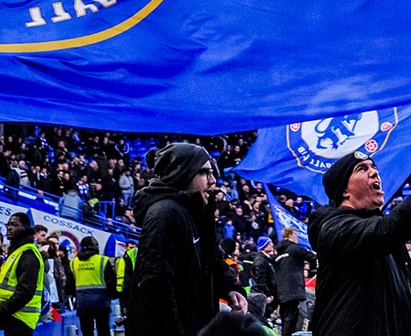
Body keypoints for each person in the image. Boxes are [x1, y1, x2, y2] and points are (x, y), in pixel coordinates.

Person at [308, 150, 411, 336]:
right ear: (344, 190)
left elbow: (401, 298)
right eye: (362, 169)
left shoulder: (388, 242)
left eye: (374, 167)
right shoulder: (334, 228)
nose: (374, 172)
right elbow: (383, 232)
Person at [129, 143, 247, 336]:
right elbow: (156, 290)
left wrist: (231, 288)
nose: (213, 181)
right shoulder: (165, 214)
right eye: (205, 173)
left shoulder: (195, 212)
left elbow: (212, 259)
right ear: (182, 173)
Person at [0, 214, 45, 336]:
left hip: (20, 317)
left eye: (14, 225)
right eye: (8, 224)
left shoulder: (28, 253)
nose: (9, 228)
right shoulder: (17, 251)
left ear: (25, 227)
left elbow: (26, 291)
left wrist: (3, 311)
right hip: (13, 316)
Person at [272, 227, 315, 336]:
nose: (297, 238)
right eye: (296, 235)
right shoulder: (294, 249)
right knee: (291, 319)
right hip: (293, 289)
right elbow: (312, 257)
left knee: (285, 318)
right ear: (291, 235)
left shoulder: (278, 255)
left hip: (281, 291)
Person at [69, 236, 116, 336]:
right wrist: (111, 295)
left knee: (87, 332)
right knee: (103, 331)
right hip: (101, 302)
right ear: (94, 246)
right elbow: (111, 282)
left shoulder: (74, 263)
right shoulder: (103, 260)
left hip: (83, 303)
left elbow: (69, 284)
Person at [247, 238, 275, 323]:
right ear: (264, 246)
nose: (272, 245)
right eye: (269, 243)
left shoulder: (266, 259)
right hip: (261, 295)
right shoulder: (261, 260)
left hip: (264, 294)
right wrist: (267, 294)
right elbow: (260, 280)